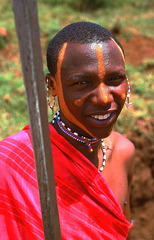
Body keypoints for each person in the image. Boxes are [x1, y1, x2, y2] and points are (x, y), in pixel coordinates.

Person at [0, 22, 135, 239]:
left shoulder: (123, 153)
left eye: (114, 79)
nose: (103, 98)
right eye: (82, 83)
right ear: (52, 86)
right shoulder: (11, 165)